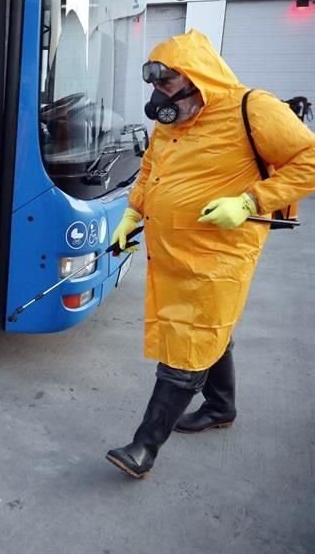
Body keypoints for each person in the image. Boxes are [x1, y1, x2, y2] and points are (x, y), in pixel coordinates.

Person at [105, 29, 315, 479]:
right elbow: (151, 167)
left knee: (189, 339)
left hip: (220, 253)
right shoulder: (172, 119)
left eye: (167, 83)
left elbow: (309, 160)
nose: (159, 95)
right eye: (154, 84)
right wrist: (132, 214)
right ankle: (221, 406)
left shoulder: (252, 108)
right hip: (172, 251)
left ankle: (144, 447)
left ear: (197, 77)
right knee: (209, 329)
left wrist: (250, 202)